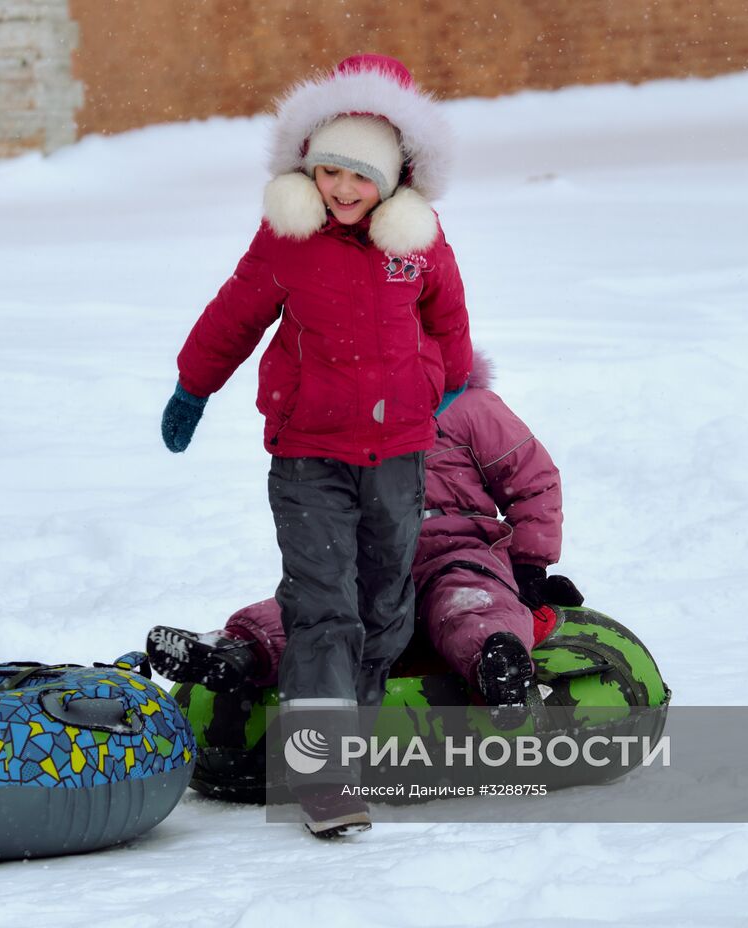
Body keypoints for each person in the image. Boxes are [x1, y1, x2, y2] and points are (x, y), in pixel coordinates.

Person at [159, 54, 472, 838]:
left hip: (399, 452)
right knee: (324, 608)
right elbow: (231, 316)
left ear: (395, 179)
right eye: (328, 170)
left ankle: (351, 753)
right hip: (310, 455)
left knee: (384, 607)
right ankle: (323, 774)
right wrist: (193, 389)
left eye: (358, 177)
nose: (340, 188)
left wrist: (449, 386)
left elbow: (450, 321)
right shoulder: (288, 240)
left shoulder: (420, 243)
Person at [148, 353, 583, 713]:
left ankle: (498, 663)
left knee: (468, 601)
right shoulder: (351, 415)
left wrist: (529, 564)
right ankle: (237, 649)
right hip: (372, 559)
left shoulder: (471, 407)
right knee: (321, 609)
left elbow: (532, 480)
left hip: (458, 548)